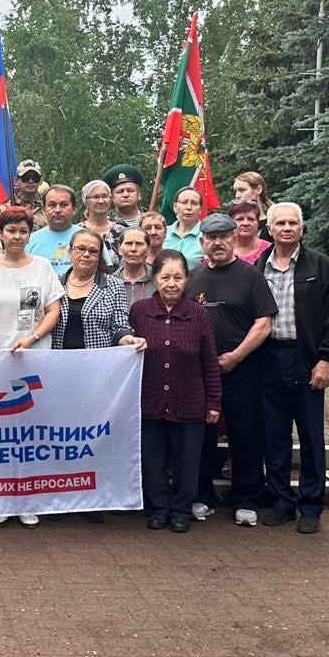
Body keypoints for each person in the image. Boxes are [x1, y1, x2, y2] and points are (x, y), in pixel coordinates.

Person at [0, 206, 64, 529]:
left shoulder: (43, 267)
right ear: (0, 233)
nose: (17, 236)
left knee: (29, 433)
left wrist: (33, 337)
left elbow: (53, 311)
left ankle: (27, 499)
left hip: (33, 359)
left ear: (29, 234)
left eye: (23, 231)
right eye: (11, 230)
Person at [257, 202, 329, 535]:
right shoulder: (259, 267)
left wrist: (326, 359)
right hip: (268, 359)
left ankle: (310, 505)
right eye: (280, 223)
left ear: (301, 228)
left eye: (292, 223)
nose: (286, 228)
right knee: (274, 435)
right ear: (269, 229)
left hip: (306, 359)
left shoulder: (319, 265)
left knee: (310, 436)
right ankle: (282, 501)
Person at [184, 213, 277, 527]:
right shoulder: (192, 277)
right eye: (211, 238)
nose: (218, 243)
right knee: (201, 436)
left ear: (234, 239)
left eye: (224, 236)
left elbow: (264, 323)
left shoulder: (251, 276)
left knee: (245, 434)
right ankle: (202, 495)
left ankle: (246, 498)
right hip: (201, 374)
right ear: (202, 242)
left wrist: (236, 356)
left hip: (242, 370)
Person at [51, 227, 146, 522]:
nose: (86, 255)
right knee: (60, 436)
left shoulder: (113, 286)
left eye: (93, 251)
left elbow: (120, 323)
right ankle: (60, 496)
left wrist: (128, 339)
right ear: (70, 252)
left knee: (91, 436)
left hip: (96, 376)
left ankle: (92, 498)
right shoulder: (53, 283)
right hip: (58, 374)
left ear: (100, 255)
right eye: (80, 249)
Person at [131, 249, 222, 533]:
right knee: (152, 459)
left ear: (186, 280)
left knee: (187, 460)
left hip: (189, 400)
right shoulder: (139, 311)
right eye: (165, 277)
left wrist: (213, 402)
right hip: (149, 399)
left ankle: (182, 509)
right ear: (154, 278)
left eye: (178, 277)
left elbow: (209, 360)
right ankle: (159, 507)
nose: (171, 283)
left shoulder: (198, 314)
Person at [25, 185, 80, 275]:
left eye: (64, 205)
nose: (57, 210)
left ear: (74, 209)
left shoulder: (89, 238)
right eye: (52, 205)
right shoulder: (29, 241)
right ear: (43, 209)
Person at [0, 158, 46, 231]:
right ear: (16, 181)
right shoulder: (1, 212)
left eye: (35, 178)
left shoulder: (50, 209)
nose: (31, 181)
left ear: (40, 181)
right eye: (26, 177)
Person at [78, 179, 123, 269]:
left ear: (110, 200)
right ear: (86, 201)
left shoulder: (121, 231)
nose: (101, 201)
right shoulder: (77, 231)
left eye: (105, 196)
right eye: (96, 197)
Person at [164, 186, 205, 268]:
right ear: (175, 206)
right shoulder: (163, 233)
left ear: (200, 209)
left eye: (194, 203)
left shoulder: (206, 235)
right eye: (184, 202)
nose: (189, 207)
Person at [113, 228, 154, 304]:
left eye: (139, 244)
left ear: (148, 249)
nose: (133, 249)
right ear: (119, 249)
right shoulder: (110, 284)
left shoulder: (158, 281)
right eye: (128, 243)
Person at [231, 197, 272, 265]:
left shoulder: (270, 249)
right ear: (231, 222)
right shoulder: (224, 249)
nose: (245, 223)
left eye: (251, 219)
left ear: (258, 222)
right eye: (240, 219)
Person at [233, 170, 271, 239]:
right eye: (236, 191)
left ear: (258, 189)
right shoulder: (232, 225)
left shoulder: (271, 226)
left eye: (242, 190)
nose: (237, 195)